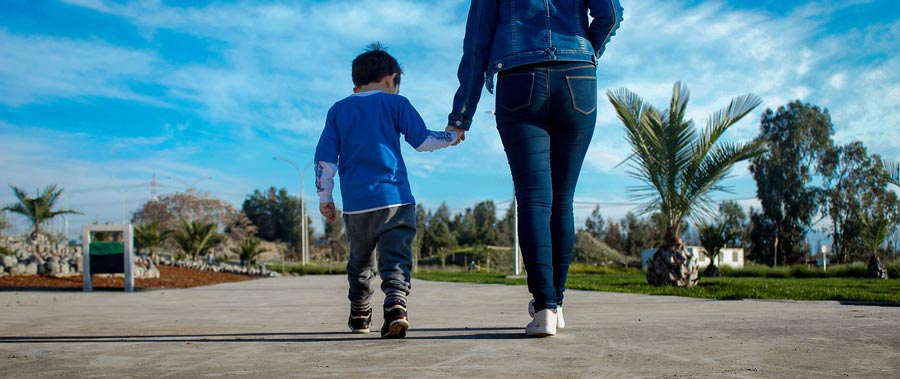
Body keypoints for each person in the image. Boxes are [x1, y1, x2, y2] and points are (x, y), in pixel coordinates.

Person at [447, 0, 623, 337]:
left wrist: (461, 116)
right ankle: (556, 304)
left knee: (534, 200)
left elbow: (476, 43)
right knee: (562, 199)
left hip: (519, 78)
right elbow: (611, 14)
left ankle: (544, 307)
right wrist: (586, 50)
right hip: (578, 76)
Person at [314, 43, 459, 339]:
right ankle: (395, 305)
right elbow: (422, 140)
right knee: (395, 257)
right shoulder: (397, 104)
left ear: (357, 80)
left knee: (360, 260)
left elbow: (325, 158)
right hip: (395, 200)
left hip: (356, 205)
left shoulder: (338, 110)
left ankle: (359, 311)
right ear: (392, 78)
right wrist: (452, 136)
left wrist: (325, 196)